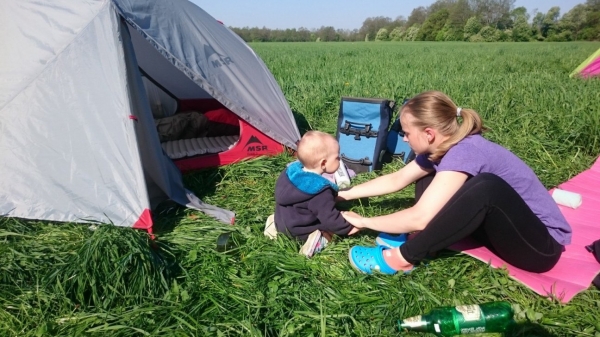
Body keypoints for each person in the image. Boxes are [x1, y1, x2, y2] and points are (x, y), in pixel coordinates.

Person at [338, 90, 572, 274]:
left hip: (539, 247)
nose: (404, 138)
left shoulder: (464, 152)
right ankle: (421, 236)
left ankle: (402, 259)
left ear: (428, 133)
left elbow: (421, 215)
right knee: (429, 169)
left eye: (407, 133)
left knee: (487, 187)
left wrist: (365, 221)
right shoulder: (441, 147)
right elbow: (398, 178)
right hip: (503, 230)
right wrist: (345, 194)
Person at [267, 131, 359, 257]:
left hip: (283, 221)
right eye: (337, 157)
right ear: (323, 163)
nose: (339, 159)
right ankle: (315, 242)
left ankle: (274, 227)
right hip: (301, 232)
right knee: (329, 231)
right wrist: (348, 227)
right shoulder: (319, 191)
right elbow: (330, 218)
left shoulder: (290, 173)